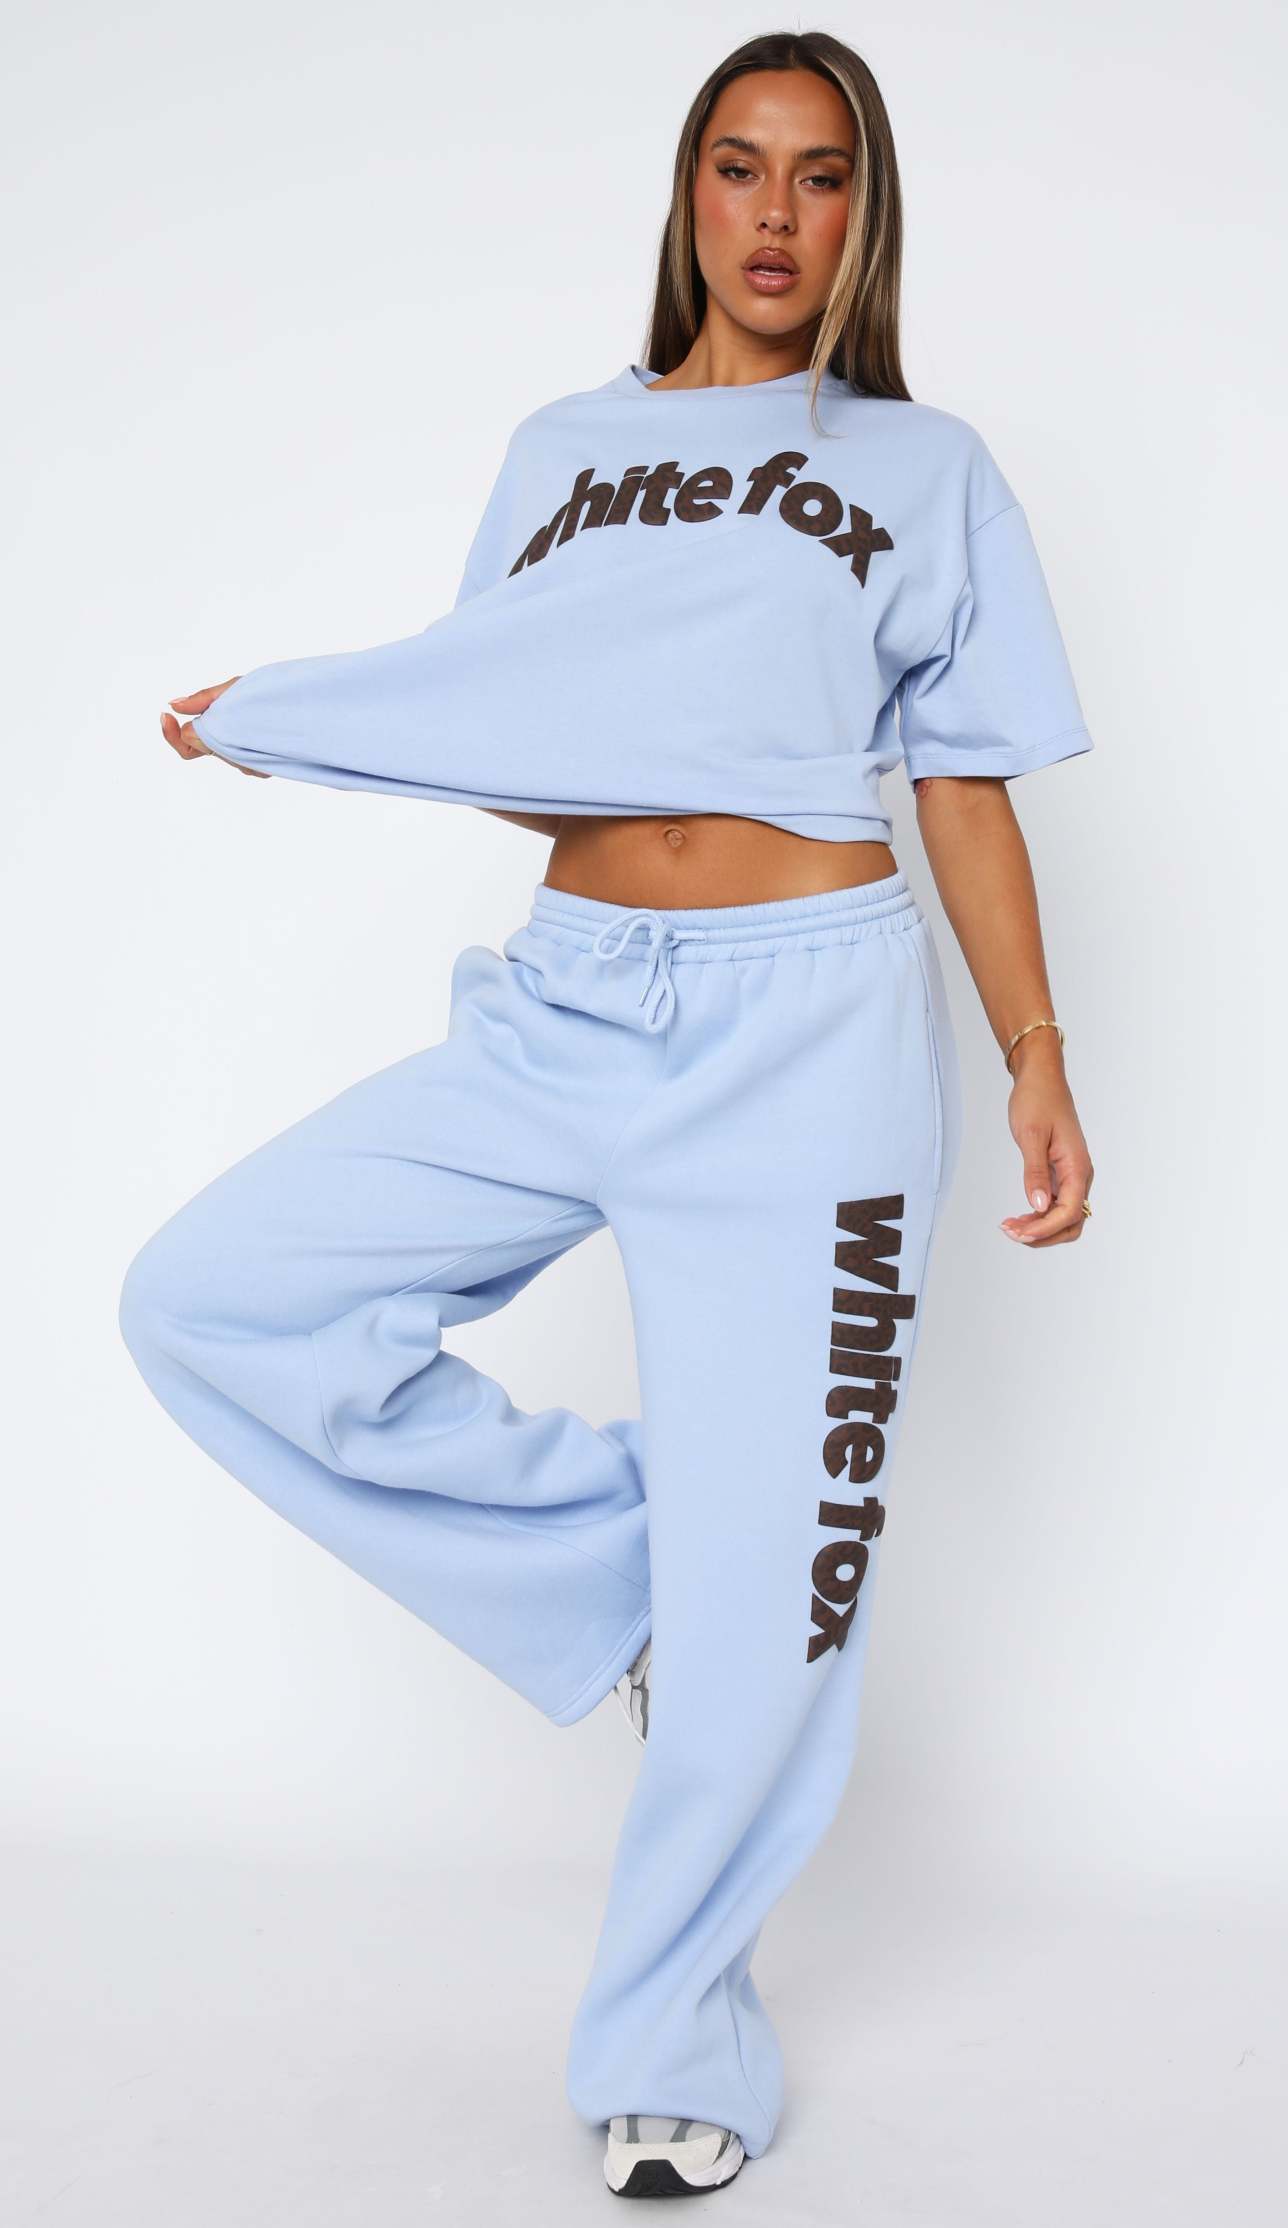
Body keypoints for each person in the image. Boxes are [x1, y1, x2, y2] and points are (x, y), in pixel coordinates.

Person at [118, 27, 1096, 2202]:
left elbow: (961, 779)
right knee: (214, 1300)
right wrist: (306, 720)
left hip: (815, 1040)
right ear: (685, 196)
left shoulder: (926, 469)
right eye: (738, 167)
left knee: (788, 1605)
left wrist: (1035, 1048)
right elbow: (507, 715)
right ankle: (637, 1577)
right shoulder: (562, 448)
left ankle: (674, 2045)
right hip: (570, 1003)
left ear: (865, 212)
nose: (774, 214)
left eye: (819, 175)